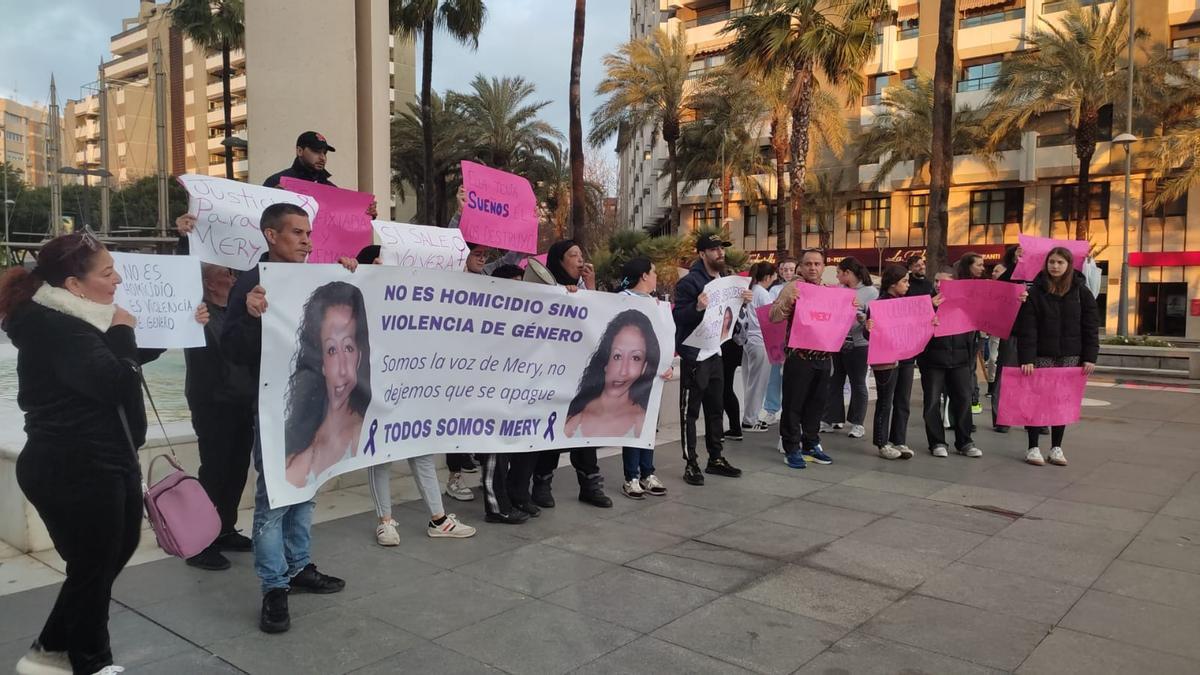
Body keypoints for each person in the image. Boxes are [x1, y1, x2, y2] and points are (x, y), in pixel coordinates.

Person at [1, 232, 205, 675]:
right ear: (75, 284)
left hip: (99, 459)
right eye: (107, 272)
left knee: (106, 557)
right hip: (74, 465)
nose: (118, 279)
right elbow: (114, 379)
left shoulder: (74, 318)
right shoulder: (57, 327)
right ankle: (71, 656)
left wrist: (179, 326)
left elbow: (106, 361)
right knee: (94, 565)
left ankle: (61, 652)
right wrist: (123, 330)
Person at [221, 203, 348, 634]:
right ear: (271, 236)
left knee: (305, 489)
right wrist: (252, 316)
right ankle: (274, 587)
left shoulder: (316, 278)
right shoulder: (251, 285)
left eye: (308, 232)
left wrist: (353, 273)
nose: (306, 240)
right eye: (296, 233)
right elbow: (232, 350)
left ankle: (299, 567)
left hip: (314, 405)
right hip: (273, 408)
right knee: (274, 498)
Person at [347, 246, 478, 541]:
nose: (387, 265)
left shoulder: (406, 300)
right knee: (380, 455)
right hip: (377, 392)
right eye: (380, 261)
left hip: (411, 391)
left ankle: (438, 518)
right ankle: (386, 521)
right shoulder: (358, 302)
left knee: (421, 452)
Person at [516, 239, 613, 508]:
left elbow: (598, 324)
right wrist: (561, 295)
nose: (580, 260)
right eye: (573, 255)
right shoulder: (546, 289)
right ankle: (542, 484)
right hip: (551, 375)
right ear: (559, 261)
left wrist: (590, 290)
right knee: (552, 430)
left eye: (582, 254)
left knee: (583, 429)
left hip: (579, 375)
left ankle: (590, 484)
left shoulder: (583, 290)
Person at [183, 263, 257, 572]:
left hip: (242, 401)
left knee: (237, 469)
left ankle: (225, 528)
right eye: (226, 274)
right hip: (213, 403)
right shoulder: (198, 315)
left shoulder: (237, 313)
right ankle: (200, 543)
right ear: (209, 284)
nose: (233, 278)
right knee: (214, 470)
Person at [673, 233, 747, 485]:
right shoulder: (690, 283)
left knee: (716, 409)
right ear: (702, 253)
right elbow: (679, 317)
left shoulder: (725, 280)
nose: (720, 253)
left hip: (716, 352)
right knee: (690, 413)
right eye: (714, 249)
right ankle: (691, 462)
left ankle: (715, 457)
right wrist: (696, 308)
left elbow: (730, 314)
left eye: (722, 249)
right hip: (696, 354)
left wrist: (742, 302)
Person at [1014, 247, 1099, 467]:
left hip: (1070, 355)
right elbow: (1028, 328)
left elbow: (1090, 327)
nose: (1055, 266)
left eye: (1060, 262)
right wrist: (1027, 358)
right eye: (1052, 261)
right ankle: (1033, 447)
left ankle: (1056, 448)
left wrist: (1090, 357)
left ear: (1069, 265)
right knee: (1037, 400)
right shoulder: (1035, 291)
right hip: (1042, 355)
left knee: (1062, 402)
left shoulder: (1081, 291)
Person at [770, 248, 843, 469]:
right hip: (799, 356)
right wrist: (788, 303)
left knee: (816, 404)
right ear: (801, 266)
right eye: (808, 264)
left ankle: (810, 443)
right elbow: (773, 316)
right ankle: (791, 447)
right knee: (794, 404)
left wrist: (853, 310)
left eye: (817, 264)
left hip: (823, 356)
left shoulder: (829, 291)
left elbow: (838, 321)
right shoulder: (793, 287)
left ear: (823, 267)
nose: (812, 268)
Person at [614, 257, 672, 499]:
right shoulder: (622, 299)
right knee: (634, 422)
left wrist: (666, 363)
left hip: (655, 375)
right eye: (654, 272)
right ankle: (631, 476)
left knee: (648, 425)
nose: (656, 276)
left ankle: (648, 472)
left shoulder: (657, 303)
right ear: (644, 275)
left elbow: (666, 336)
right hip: (632, 372)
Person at [565, 309, 661, 438]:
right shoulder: (574, 419)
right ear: (605, 360)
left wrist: (664, 370)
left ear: (644, 367)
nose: (623, 371)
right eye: (617, 356)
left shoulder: (641, 421)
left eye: (635, 358)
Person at [917, 268, 982, 459]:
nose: (938, 285)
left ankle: (965, 441)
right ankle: (937, 442)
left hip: (961, 360)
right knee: (932, 402)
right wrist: (929, 308)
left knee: (963, 400)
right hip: (932, 361)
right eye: (936, 281)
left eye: (943, 282)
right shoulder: (925, 301)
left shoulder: (964, 303)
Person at [865, 265, 919, 460]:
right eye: (904, 281)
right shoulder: (879, 304)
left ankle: (899, 440)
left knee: (902, 400)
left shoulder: (906, 304)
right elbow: (868, 333)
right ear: (893, 283)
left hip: (906, 357)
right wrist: (867, 328)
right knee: (885, 401)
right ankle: (882, 442)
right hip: (886, 360)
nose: (907, 284)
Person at [263, 130, 378, 218]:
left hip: (324, 247)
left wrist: (365, 213)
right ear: (300, 151)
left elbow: (345, 222)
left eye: (324, 153)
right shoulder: (276, 182)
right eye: (316, 151)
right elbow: (262, 219)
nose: (322, 157)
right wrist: (272, 201)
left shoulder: (331, 189)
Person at [823, 257, 878, 439]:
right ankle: (832, 418)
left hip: (859, 343)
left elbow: (875, 315)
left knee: (858, 382)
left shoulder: (870, 292)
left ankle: (857, 422)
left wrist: (862, 311)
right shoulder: (839, 290)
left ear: (848, 273)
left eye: (839, 272)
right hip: (838, 341)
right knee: (835, 380)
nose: (837, 276)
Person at [991, 244, 1026, 433]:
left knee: (1034, 378)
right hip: (1012, 331)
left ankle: (1035, 420)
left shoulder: (1041, 277)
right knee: (1005, 375)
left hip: (1035, 334)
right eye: (1018, 252)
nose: (1022, 255)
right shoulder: (1008, 276)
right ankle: (1002, 418)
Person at [740, 262, 776, 434]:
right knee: (758, 383)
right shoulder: (762, 293)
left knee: (750, 381)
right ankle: (750, 419)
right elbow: (771, 317)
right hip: (760, 341)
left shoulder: (751, 290)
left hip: (748, 340)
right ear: (768, 277)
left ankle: (749, 416)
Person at [760, 257, 795, 424]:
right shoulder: (774, 290)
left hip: (795, 340)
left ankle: (790, 409)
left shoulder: (800, 287)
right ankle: (771, 409)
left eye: (791, 269)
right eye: (785, 269)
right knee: (774, 376)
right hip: (778, 339)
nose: (788, 272)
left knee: (792, 377)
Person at [954, 253, 987, 417]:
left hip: (976, 333)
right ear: (968, 266)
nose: (983, 268)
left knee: (970, 367)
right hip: (959, 333)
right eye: (979, 265)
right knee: (964, 368)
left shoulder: (983, 285)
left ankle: (972, 400)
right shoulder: (956, 285)